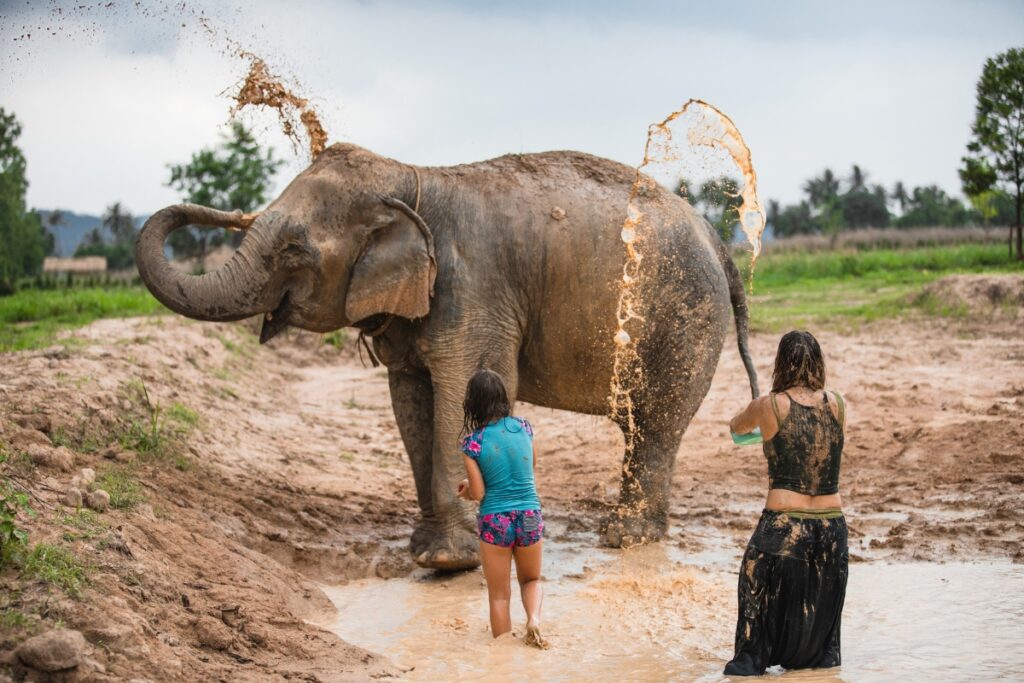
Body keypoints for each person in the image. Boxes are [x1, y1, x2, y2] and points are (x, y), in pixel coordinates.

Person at [724, 330, 848, 676]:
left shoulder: (769, 405)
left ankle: (753, 664)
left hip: (784, 526)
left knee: (754, 593)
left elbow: (736, 429)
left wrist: (758, 419)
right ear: (819, 363)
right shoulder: (838, 404)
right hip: (833, 529)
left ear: (780, 363)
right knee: (821, 619)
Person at [456, 368, 548, 648]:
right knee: (531, 580)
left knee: (499, 596)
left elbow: (479, 493)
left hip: (496, 521)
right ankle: (534, 619)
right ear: (503, 398)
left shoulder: (472, 444)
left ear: (473, 403)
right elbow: (530, 468)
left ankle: (502, 656)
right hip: (530, 515)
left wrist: (466, 489)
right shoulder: (525, 428)